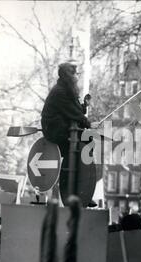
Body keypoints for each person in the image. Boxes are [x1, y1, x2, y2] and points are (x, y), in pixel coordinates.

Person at [41, 62, 98, 207]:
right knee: (83, 143)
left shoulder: (66, 89)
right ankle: (76, 190)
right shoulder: (60, 91)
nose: (77, 77)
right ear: (68, 75)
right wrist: (87, 122)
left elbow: (76, 109)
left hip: (64, 128)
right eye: (74, 74)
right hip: (56, 129)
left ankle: (82, 190)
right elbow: (72, 111)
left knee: (86, 142)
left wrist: (84, 106)